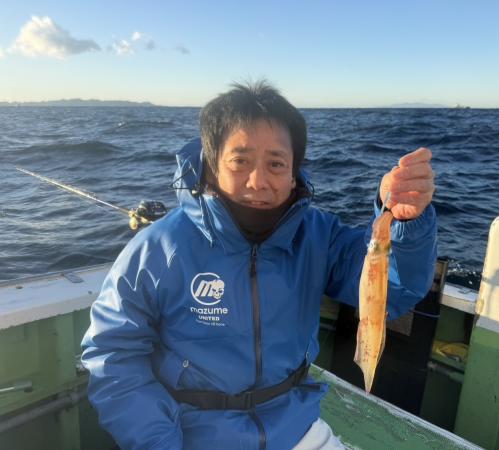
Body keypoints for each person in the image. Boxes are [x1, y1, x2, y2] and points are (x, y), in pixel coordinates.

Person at [81, 81, 437, 450]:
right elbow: (113, 354)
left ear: (294, 173)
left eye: (276, 164)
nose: (258, 181)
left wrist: (405, 223)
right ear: (211, 166)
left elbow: (394, 292)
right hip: (191, 437)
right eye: (240, 161)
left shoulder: (318, 236)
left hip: (298, 429)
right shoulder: (159, 248)